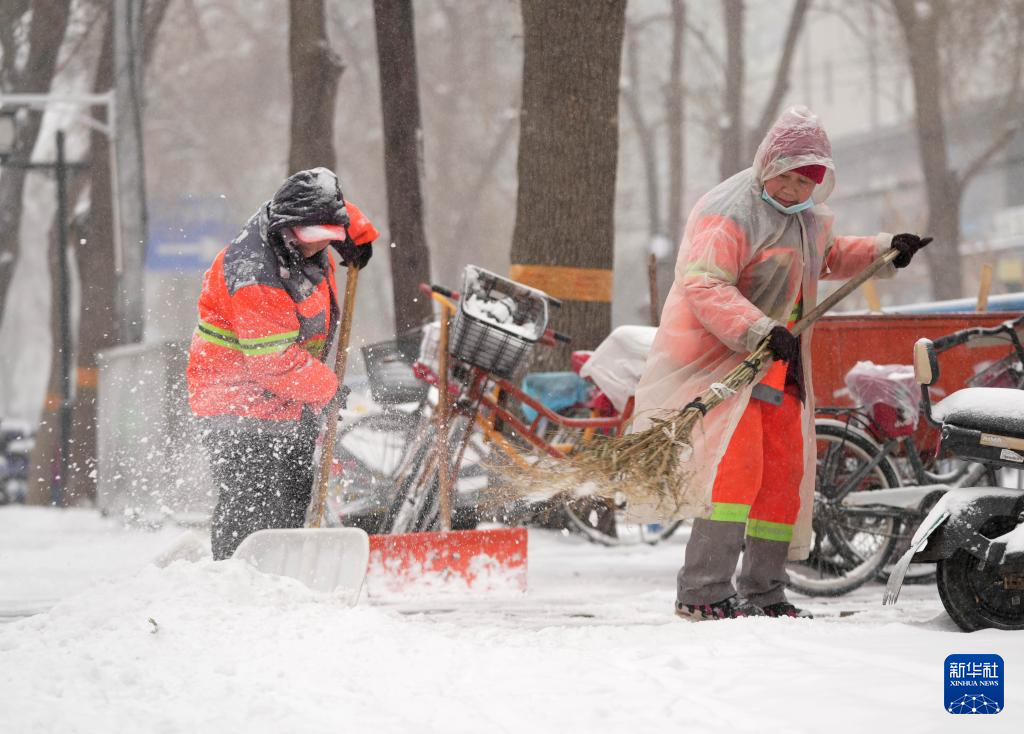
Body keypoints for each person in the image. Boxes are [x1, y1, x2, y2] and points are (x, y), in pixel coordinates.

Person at [632, 106, 930, 620]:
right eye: (786, 178)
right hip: (727, 362)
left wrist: (883, 251)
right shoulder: (730, 212)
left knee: (782, 478)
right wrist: (757, 329)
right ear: (767, 164)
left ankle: (764, 591)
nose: (793, 190)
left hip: (781, 366)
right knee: (734, 475)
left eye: (804, 183)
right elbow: (704, 282)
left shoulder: (805, 217)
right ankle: (703, 592)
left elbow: (828, 256)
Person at [187, 167, 378, 560]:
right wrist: (327, 389)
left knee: (293, 496)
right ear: (287, 227)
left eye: (328, 237)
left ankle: (282, 574)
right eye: (315, 237)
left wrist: (355, 236)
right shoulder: (255, 273)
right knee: (251, 506)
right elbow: (272, 361)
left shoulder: (299, 222)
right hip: (235, 403)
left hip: (290, 398)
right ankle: (235, 574)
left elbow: (331, 206)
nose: (320, 245)